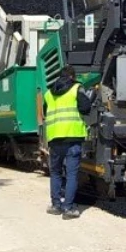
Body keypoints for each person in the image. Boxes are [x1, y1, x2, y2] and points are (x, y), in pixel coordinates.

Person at [41, 65, 91, 219]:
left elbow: (45, 112)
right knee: (71, 174)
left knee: (55, 172)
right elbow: (85, 108)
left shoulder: (49, 93)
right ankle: (68, 208)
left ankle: (56, 205)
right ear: (72, 76)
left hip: (55, 139)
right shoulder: (77, 88)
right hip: (73, 136)